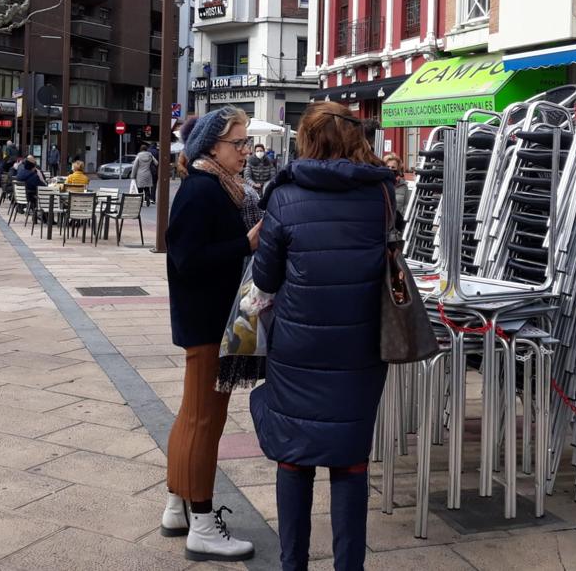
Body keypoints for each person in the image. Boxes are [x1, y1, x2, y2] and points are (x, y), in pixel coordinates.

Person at [249, 102, 394, 571]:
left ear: (306, 140)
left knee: (294, 458)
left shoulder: (284, 196)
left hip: (298, 346)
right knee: (350, 461)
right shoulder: (380, 195)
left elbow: (266, 279)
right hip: (360, 346)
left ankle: (294, 564)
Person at [162, 107, 262, 562]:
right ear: (211, 147)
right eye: (238, 143)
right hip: (208, 322)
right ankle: (201, 522)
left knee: (194, 416)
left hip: (207, 319)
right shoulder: (203, 189)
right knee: (205, 419)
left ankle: (176, 506)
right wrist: (247, 243)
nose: (246, 151)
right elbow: (186, 258)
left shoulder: (215, 186)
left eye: (245, 142)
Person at [384, 152, 409, 217]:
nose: (390, 169)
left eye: (393, 167)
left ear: (398, 169)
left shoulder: (403, 186)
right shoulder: (380, 184)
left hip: (397, 223)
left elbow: (406, 206)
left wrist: (402, 221)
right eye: (388, 167)